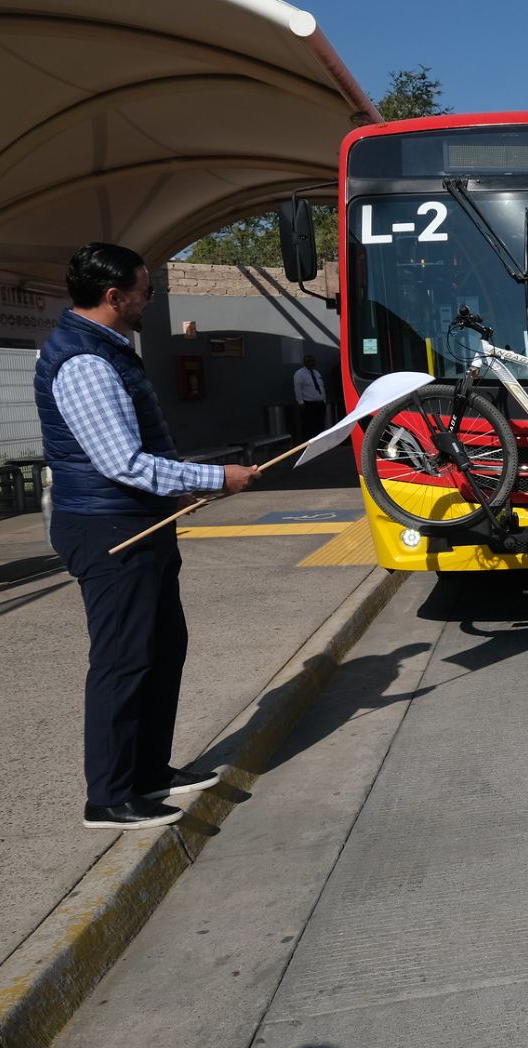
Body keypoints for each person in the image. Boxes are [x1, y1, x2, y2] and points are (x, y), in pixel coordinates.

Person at [36, 243, 260, 830]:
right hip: (109, 528)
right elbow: (123, 463)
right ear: (115, 296)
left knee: (162, 648)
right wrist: (217, 478)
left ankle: (150, 773)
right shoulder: (85, 362)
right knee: (123, 659)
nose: (150, 300)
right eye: (146, 291)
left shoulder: (107, 349)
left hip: (135, 521)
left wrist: (174, 492)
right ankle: (110, 796)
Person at [294, 353, 327, 436]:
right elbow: (298, 388)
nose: (311, 363)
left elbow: (321, 386)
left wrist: (324, 400)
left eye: (312, 361)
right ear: (304, 362)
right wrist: (300, 402)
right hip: (309, 404)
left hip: (320, 403)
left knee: (320, 425)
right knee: (309, 425)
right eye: (309, 361)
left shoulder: (316, 373)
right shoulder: (300, 374)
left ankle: (320, 441)